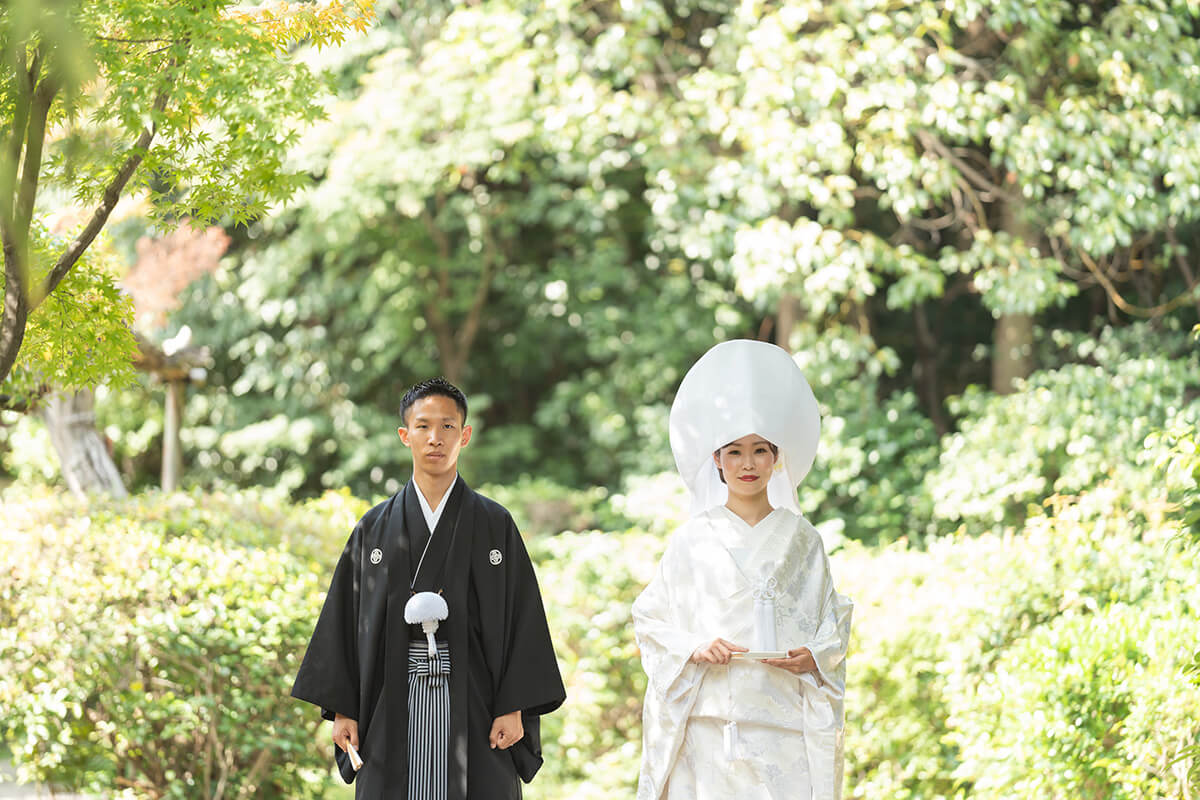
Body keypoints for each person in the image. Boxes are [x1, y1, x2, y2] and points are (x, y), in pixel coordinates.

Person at [291, 377, 566, 800]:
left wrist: (514, 706)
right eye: (422, 427)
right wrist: (345, 709)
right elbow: (347, 620)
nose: (435, 438)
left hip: (476, 699)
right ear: (405, 435)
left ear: (465, 435)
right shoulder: (374, 528)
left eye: (448, 427)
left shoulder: (495, 525)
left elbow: (521, 617)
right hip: (390, 698)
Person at [632, 340, 853, 800]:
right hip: (708, 728)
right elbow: (651, 620)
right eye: (733, 452)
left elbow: (833, 622)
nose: (747, 464)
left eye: (759, 450)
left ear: (776, 458)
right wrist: (694, 646)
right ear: (715, 459)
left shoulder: (803, 540)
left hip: (783, 730)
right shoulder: (690, 540)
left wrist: (812, 654)